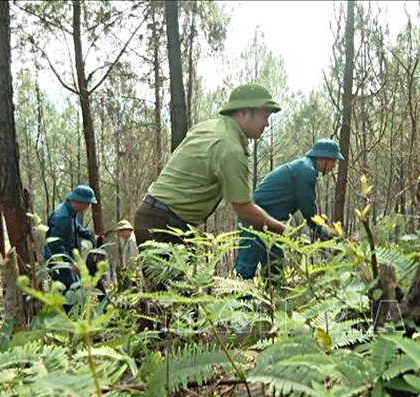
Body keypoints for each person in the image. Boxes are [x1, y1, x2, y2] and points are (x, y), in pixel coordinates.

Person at [134, 83, 286, 245]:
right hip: (164, 225)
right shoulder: (230, 147)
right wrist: (285, 232)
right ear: (244, 112)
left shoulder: (208, 127)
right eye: (265, 116)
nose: (267, 124)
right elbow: (244, 209)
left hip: (159, 218)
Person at [234, 139, 343, 280]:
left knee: (275, 267)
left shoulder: (305, 168)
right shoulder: (306, 171)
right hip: (255, 218)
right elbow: (307, 206)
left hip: (270, 222)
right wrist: (320, 231)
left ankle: (275, 301)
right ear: (323, 159)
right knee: (245, 269)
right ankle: (238, 301)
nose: (334, 166)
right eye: (334, 161)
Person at [45, 185, 101, 307]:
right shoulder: (62, 217)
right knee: (70, 291)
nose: (87, 207)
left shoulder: (71, 212)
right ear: (78, 201)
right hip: (59, 261)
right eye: (87, 204)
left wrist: (89, 234)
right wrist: (70, 263)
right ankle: (71, 321)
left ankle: (76, 317)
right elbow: (55, 245)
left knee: (76, 289)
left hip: (67, 258)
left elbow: (76, 229)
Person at [113, 219, 140, 289]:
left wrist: (134, 271)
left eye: (120, 231)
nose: (119, 234)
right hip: (129, 271)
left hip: (133, 272)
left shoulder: (132, 241)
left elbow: (135, 257)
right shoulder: (126, 241)